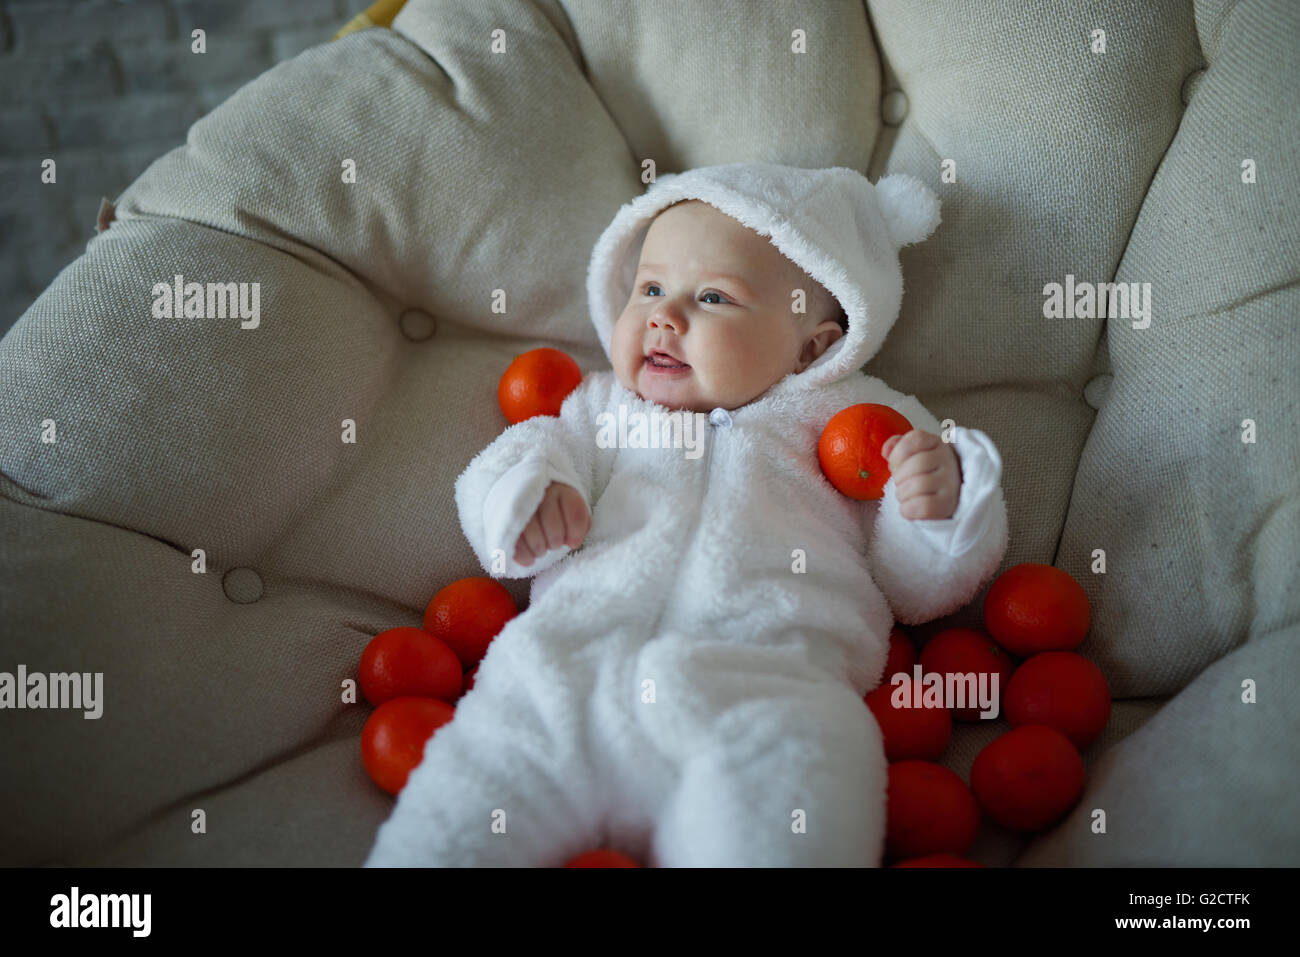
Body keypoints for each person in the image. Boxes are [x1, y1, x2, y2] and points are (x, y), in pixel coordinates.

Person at [365, 163, 1008, 867]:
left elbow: (916, 592)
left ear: (814, 345)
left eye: (712, 297)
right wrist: (523, 501)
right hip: (561, 678)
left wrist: (937, 512)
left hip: (768, 695)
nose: (665, 316)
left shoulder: (858, 420)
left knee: (790, 813)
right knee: (448, 830)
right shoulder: (601, 408)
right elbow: (514, 460)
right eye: (649, 289)